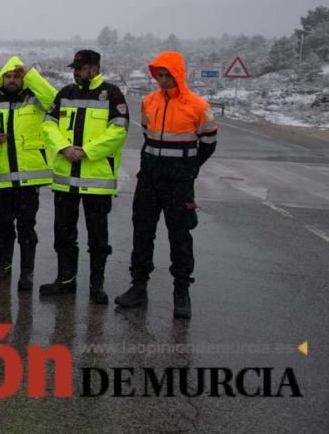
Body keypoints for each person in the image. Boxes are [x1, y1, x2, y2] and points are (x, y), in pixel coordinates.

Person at [115, 51, 218, 319]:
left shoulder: (197, 106)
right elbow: (148, 138)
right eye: (159, 75)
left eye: (167, 75)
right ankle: (138, 288)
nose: (162, 80)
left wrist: (188, 169)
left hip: (179, 185)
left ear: (178, 74)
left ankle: (181, 292)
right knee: (142, 234)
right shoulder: (149, 102)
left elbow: (208, 143)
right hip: (149, 180)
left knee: (180, 238)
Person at [40, 50, 129, 304]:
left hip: (96, 183)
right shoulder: (65, 93)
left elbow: (118, 131)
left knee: (98, 238)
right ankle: (65, 280)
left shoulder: (112, 94)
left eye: (80, 69)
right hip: (65, 180)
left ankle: (96, 285)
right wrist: (63, 148)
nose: (75, 73)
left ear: (94, 68)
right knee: (64, 234)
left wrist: (86, 152)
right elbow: (48, 124)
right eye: (74, 69)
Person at [0, 57, 57, 290]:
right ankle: (4, 266)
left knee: (26, 226)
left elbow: (54, 99)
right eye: (8, 77)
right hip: (1, 176)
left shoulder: (35, 100)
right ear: (2, 79)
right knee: (2, 224)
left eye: (17, 76)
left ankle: (27, 273)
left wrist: (30, 73)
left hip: (28, 177)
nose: (12, 80)